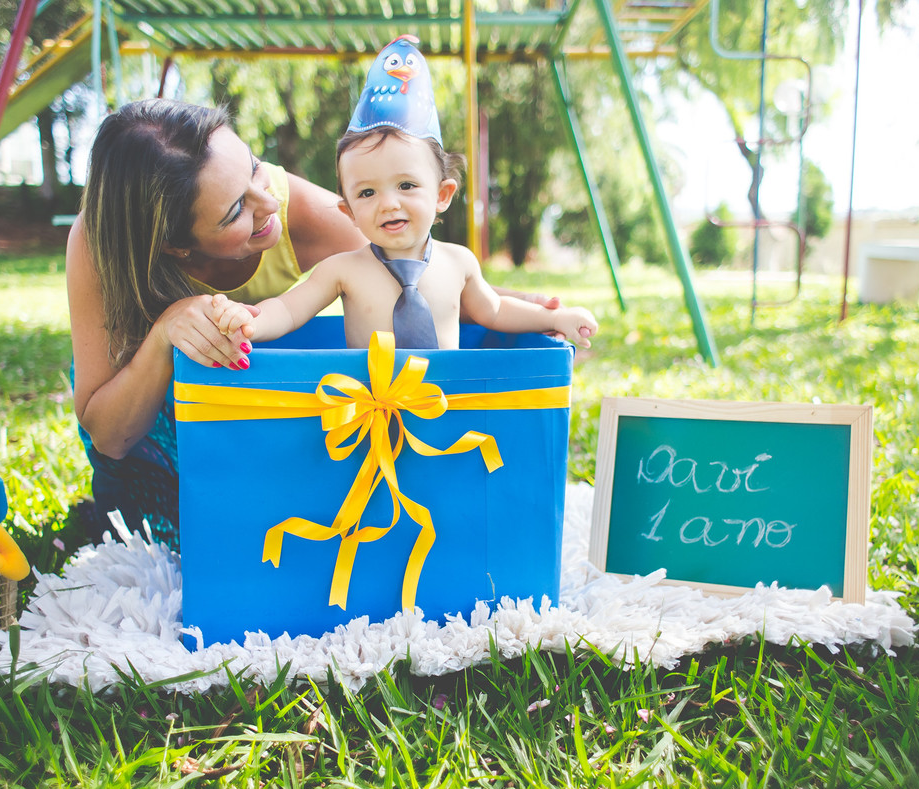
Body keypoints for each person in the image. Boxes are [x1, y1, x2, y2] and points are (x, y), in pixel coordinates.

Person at [67, 96, 564, 545]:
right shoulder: (102, 246)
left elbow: (425, 282)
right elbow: (110, 435)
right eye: (237, 209)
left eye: (256, 169)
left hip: (250, 411)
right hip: (149, 420)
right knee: (176, 539)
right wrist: (164, 336)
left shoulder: (295, 207)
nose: (269, 202)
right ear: (176, 246)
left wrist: (536, 311)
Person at [213, 35, 598, 351]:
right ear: (347, 212)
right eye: (366, 193)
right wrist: (250, 322)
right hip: (368, 417)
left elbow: (494, 311)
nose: (389, 203)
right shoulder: (342, 270)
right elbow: (288, 310)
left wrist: (554, 317)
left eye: (407, 185)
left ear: (442, 194)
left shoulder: (459, 263)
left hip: (445, 411)